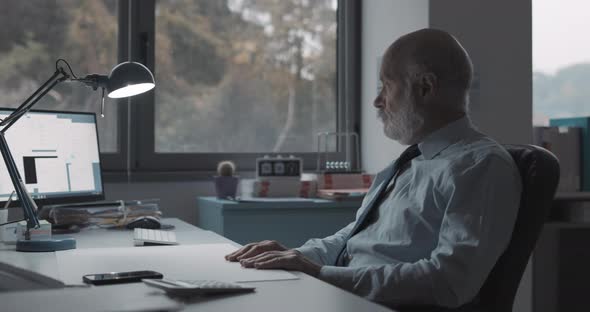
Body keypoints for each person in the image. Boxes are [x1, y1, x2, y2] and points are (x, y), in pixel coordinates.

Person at [225, 28, 521, 309]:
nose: (377, 101)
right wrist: (293, 256)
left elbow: (448, 282)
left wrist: (321, 275)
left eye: (386, 86)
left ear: (426, 87)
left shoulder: (481, 166)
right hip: (347, 298)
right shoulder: (410, 161)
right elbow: (353, 239)